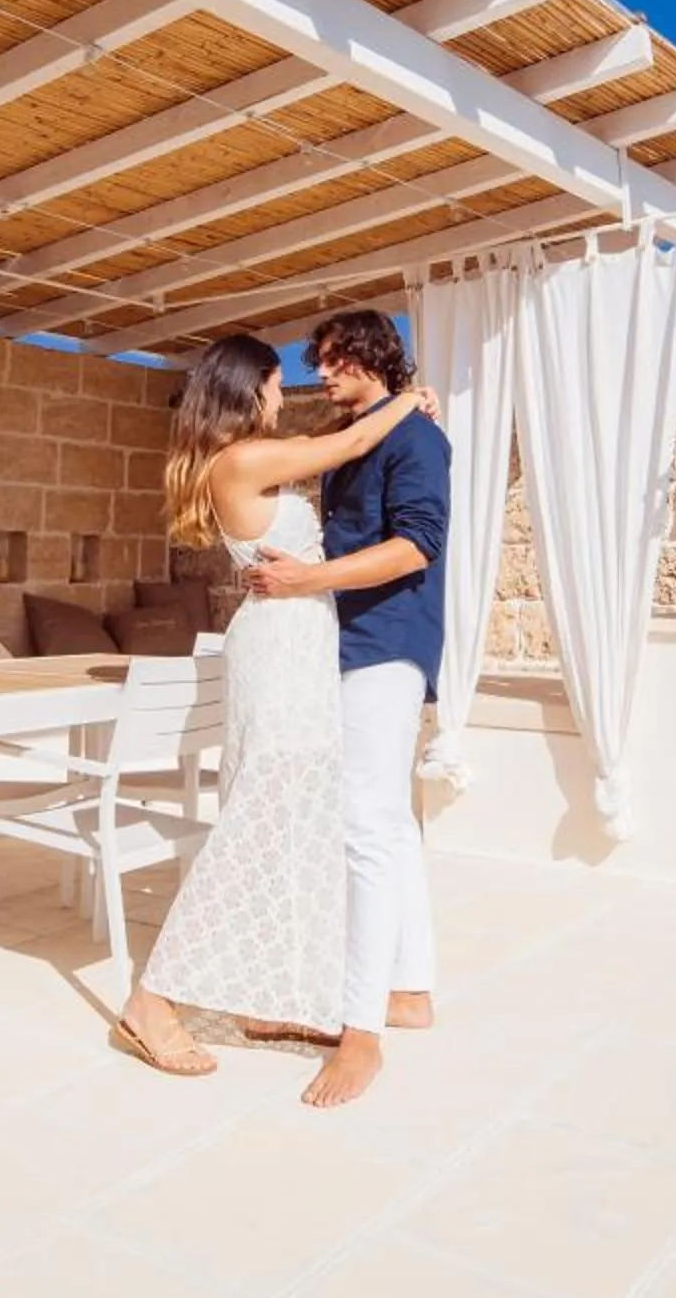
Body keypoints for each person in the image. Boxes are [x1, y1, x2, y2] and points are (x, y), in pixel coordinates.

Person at [110, 335, 437, 1080]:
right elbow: (348, 439)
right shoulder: (245, 461)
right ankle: (151, 1002)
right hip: (281, 647)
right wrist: (413, 402)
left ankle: (263, 999)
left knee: (286, 820)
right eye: (275, 383)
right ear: (247, 389)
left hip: (294, 643)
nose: (285, 394)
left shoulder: (244, 458)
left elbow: (329, 441)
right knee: (257, 821)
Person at [239, 310, 448, 1109]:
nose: (321, 373)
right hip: (349, 639)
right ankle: (410, 991)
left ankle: (361, 1030)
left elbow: (417, 545)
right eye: (317, 360)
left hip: (387, 643)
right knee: (386, 824)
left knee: (362, 825)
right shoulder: (360, 436)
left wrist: (305, 581)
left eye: (335, 360)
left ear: (376, 359)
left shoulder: (415, 437)